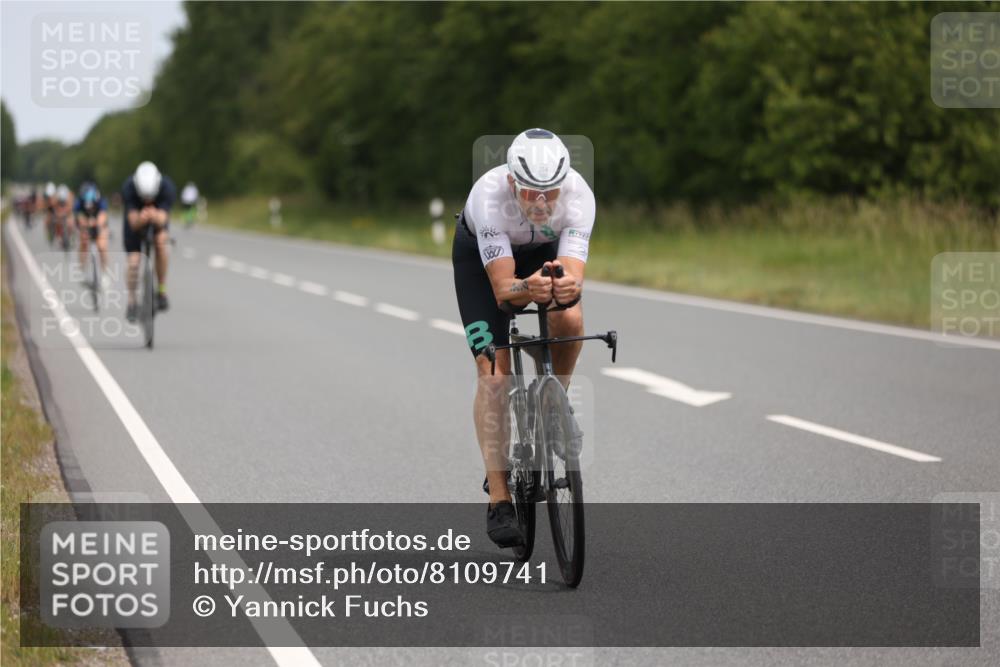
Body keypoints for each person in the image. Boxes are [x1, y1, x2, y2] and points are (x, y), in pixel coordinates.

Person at [451, 129, 595, 548]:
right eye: (531, 191)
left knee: (570, 316)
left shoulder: (579, 196)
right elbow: (503, 292)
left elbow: (571, 273)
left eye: (550, 193)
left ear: (563, 184)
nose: (540, 202)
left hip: (541, 253)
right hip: (483, 264)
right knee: (494, 374)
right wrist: (524, 288)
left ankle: (557, 400)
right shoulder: (489, 196)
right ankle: (499, 497)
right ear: (512, 181)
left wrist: (567, 288)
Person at [121, 161, 176, 321]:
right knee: (133, 261)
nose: (147, 201)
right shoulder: (129, 187)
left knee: (161, 242)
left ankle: (162, 291)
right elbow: (132, 222)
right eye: (144, 197)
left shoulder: (166, 187)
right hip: (135, 223)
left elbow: (164, 218)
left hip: (158, 220)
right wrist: (141, 218)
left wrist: (155, 216)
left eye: (150, 197)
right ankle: (132, 301)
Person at [74, 182, 111, 287]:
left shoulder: (100, 201)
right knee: (84, 242)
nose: (90, 207)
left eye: (92, 205)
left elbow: (103, 215)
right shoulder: (79, 202)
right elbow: (78, 217)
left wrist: (97, 223)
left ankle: (105, 273)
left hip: (98, 222)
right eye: (87, 205)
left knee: (102, 246)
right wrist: (85, 223)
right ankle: (82, 268)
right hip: (85, 222)